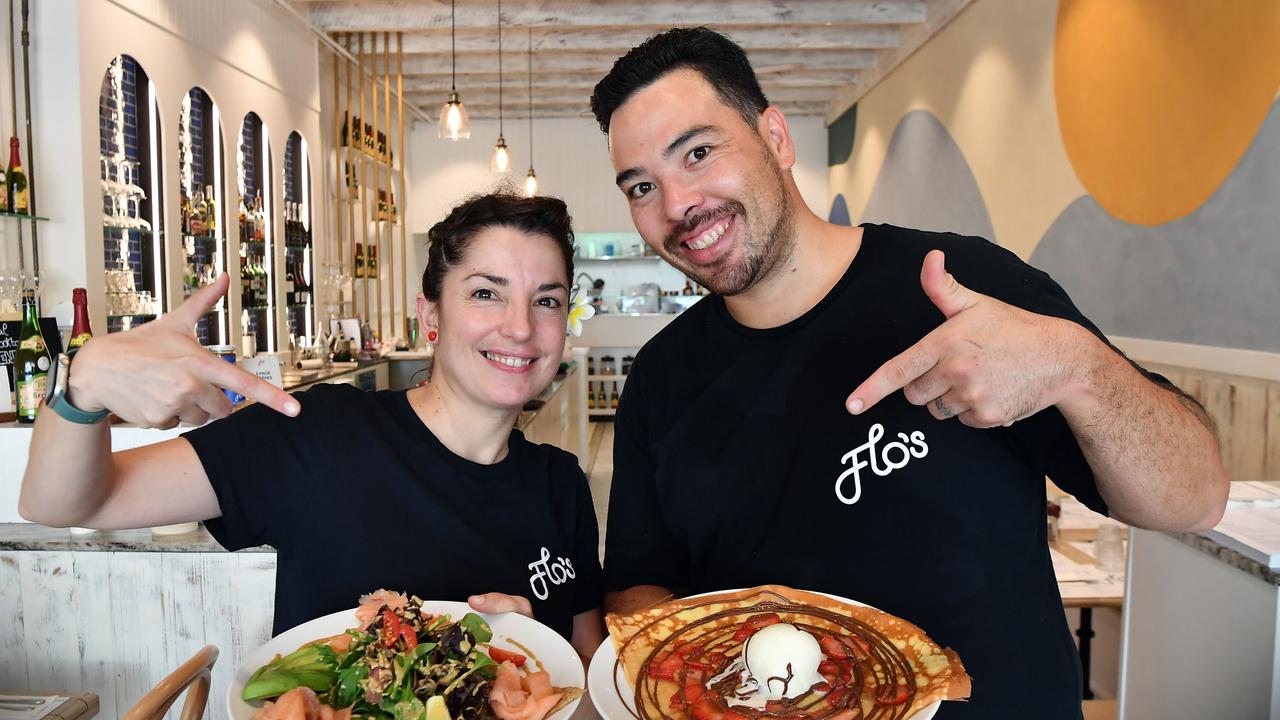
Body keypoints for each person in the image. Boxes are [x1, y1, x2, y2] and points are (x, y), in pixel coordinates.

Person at [590, 27, 1228, 718]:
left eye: (699, 152)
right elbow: (637, 587)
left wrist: (1078, 367)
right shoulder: (660, 377)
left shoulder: (960, 286)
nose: (677, 204)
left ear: (775, 136)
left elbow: (1193, 498)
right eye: (643, 185)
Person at [19, 192, 604, 662]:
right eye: (485, 293)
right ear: (430, 314)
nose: (521, 327)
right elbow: (66, 501)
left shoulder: (561, 485)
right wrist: (82, 386)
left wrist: (533, 664)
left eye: (547, 301)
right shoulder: (320, 434)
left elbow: (590, 689)